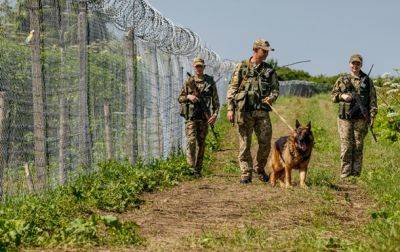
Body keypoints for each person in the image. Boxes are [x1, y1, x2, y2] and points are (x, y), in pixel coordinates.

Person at [226, 39, 279, 184]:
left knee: (265, 142)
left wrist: (271, 98)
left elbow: (275, 89)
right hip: (244, 111)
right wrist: (230, 109)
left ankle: (259, 169)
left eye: (268, 51)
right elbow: (232, 89)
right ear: (255, 50)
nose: (267, 53)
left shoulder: (269, 70)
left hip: (262, 112)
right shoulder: (242, 67)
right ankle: (245, 172)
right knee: (245, 143)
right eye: (264, 50)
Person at [331, 54, 378, 178]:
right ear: (349, 64)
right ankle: (345, 174)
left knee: (358, 145)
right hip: (345, 118)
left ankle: (356, 174)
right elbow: (333, 96)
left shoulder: (367, 80)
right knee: (346, 145)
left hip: (361, 118)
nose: (355, 66)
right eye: (353, 63)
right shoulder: (342, 79)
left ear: (361, 65)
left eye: (358, 63)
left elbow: (373, 100)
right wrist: (342, 96)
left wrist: (372, 116)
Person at [178, 57, 220, 177]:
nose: (198, 68)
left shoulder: (209, 81)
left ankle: (198, 169)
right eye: (196, 66)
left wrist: (215, 114)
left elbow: (216, 101)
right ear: (194, 67)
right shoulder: (189, 82)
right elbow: (180, 98)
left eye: (200, 66)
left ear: (203, 67)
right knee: (191, 141)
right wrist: (188, 97)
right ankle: (190, 168)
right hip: (191, 117)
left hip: (204, 117)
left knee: (201, 144)